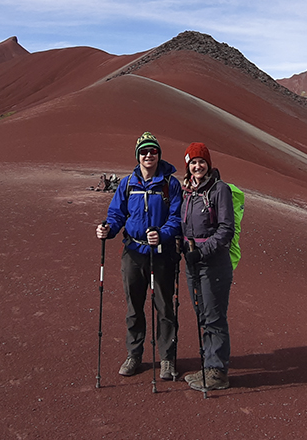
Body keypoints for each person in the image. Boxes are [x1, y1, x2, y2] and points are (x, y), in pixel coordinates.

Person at [96, 132, 183, 380]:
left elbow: (176, 218)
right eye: (144, 152)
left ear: (158, 155)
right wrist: (108, 229)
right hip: (133, 253)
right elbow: (117, 214)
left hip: (162, 254)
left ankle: (167, 359)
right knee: (134, 308)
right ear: (138, 156)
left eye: (153, 151)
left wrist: (163, 234)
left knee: (165, 308)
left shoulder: (170, 184)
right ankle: (134, 354)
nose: (148, 155)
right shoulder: (127, 183)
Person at [180, 142, 234, 391]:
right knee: (202, 314)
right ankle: (208, 366)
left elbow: (225, 230)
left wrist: (201, 251)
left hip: (213, 263)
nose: (197, 166)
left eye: (201, 161)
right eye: (193, 162)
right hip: (193, 262)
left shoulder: (219, 189)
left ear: (208, 164)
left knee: (214, 317)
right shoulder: (188, 191)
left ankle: (217, 372)